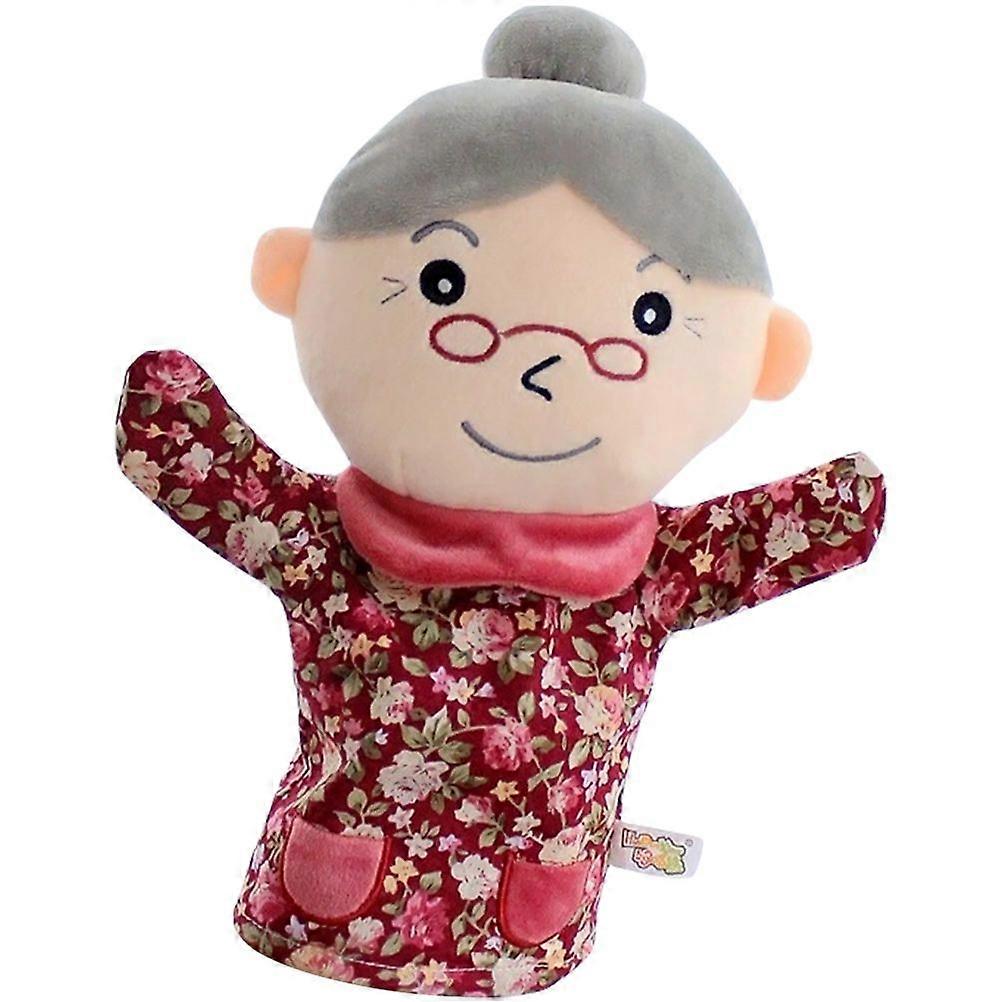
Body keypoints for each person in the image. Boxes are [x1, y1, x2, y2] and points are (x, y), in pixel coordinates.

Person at [116, 7, 885, 996]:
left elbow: (778, 536)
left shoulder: (654, 569)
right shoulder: (331, 541)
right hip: (325, 921)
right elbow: (222, 481)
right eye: (444, 281)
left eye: (648, 315)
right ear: (295, 276)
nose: (541, 364)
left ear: (766, 358)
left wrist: (837, 506)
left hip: (525, 926)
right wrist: (176, 420)